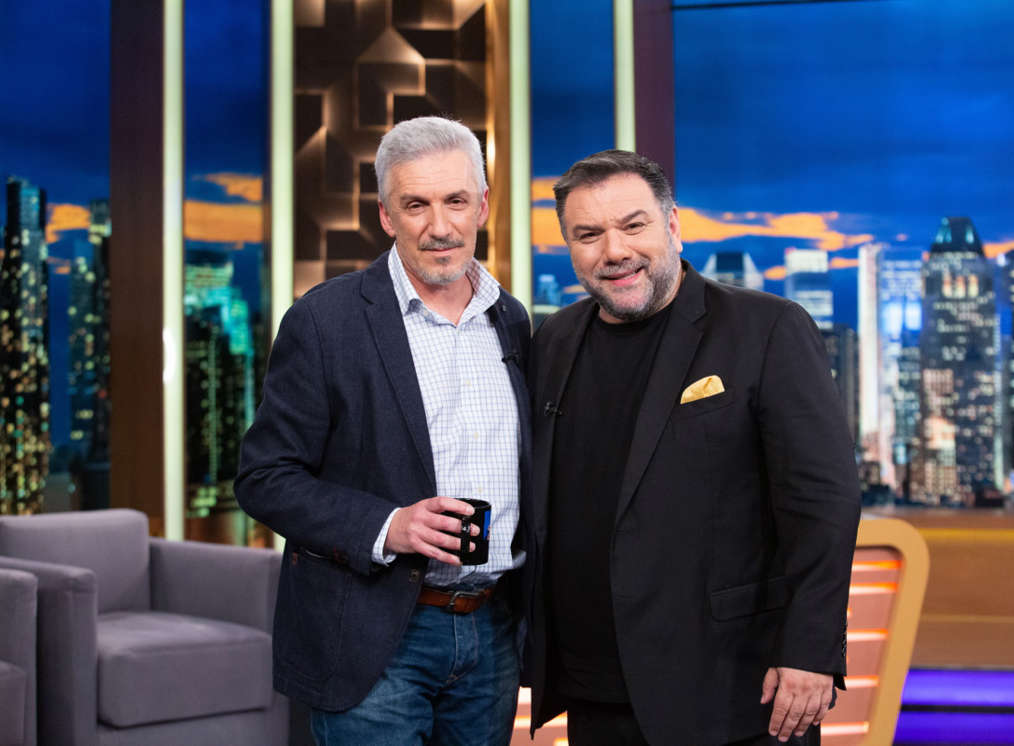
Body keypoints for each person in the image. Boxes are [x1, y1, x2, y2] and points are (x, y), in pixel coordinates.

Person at [527, 150, 861, 746]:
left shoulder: (767, 328)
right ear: (569, 248)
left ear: (673, 226)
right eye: (589, 235)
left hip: (733, 689)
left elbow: (823, 503)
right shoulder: (554, 338)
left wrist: (810, 651)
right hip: (593, 689)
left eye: (633, 226)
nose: (614, 251)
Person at [236, 116, 531, 745]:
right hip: (373, 636)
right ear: (386, 216)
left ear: (483, 205)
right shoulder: (325, 320)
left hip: (492, 632)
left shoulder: (512, 320)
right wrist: (388, 526)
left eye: (456, 201)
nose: (440, 226)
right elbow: (264, 477)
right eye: (416, 205)